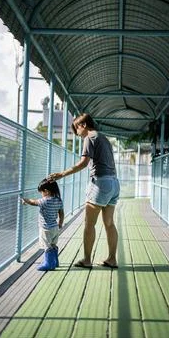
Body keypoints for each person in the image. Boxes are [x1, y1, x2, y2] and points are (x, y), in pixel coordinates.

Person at [48, 113, 120, 268]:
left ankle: (87, 260)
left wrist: (62, 174)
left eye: (77, 130)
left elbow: (83, 163)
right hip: (114, 182)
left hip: (101, 183)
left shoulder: (90, 137)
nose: (78, 134)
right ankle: (112, 259)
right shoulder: (103, 138)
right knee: (109, 223)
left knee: (89, 223)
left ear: (83, 125)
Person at [21, 178, 64, 271]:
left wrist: (25, 199)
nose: (41, 194)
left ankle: (48, 264)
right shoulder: (58, 200)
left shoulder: (44, 201)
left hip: (46, 229)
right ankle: (55, 261)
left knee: (47, 247)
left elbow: (33, 202)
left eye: (41, 192)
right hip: (55, 227)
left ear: (46, 191)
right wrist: (60, 223)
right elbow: (61, 213)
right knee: (53, 245)